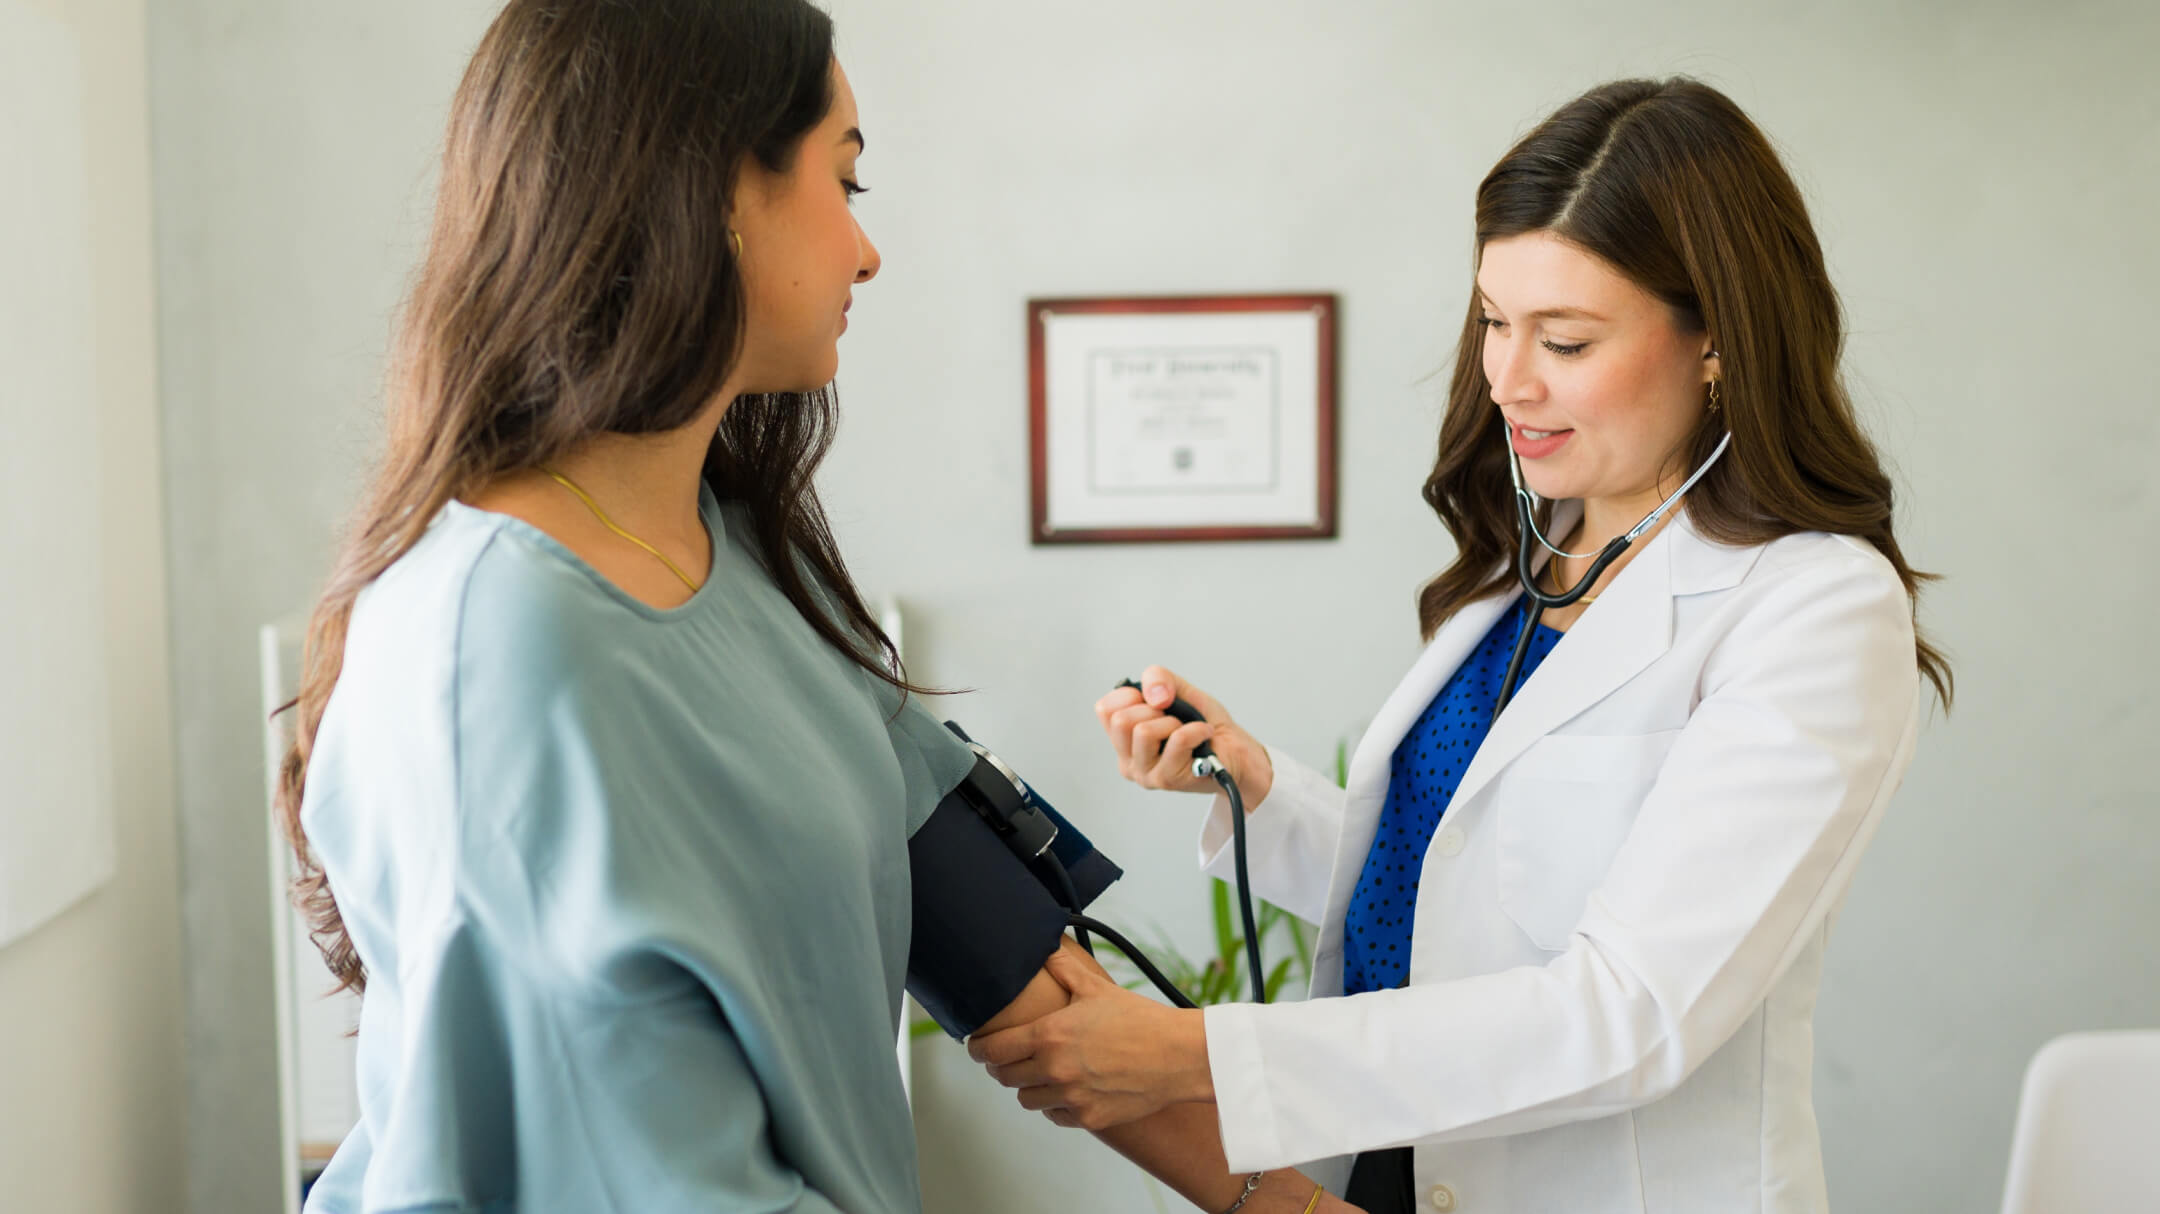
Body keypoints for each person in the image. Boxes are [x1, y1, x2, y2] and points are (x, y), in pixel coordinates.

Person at [278, 3, 1357, 1212]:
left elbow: (1016, 972)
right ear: (713, 188)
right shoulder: (499, 647)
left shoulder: (727, 554)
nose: (865, 249)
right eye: (844, 181)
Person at [969, 77, 1951, 1214]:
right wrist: (1264, 790)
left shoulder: (1814, 607)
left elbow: (1633, 1007)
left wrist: (1200, 1053)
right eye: (1494, 318)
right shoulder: (1531, 554)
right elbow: (1463, 883)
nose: (1507, 379)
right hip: (1402, 1171)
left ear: (1719, 339)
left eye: (1567, 339)